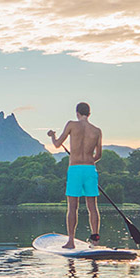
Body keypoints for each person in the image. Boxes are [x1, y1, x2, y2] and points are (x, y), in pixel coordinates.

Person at [48, 102, 102, 249]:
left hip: (75, 169)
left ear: (77, 113)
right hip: (90, 169)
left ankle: (71, 241)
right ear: (89, 114)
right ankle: (95, 241)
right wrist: (89, 161)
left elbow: (58, 144)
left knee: (73, 207)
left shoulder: (72, 124)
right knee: (92, 207)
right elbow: (99, 155)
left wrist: (53, 136)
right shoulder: (97, 131)